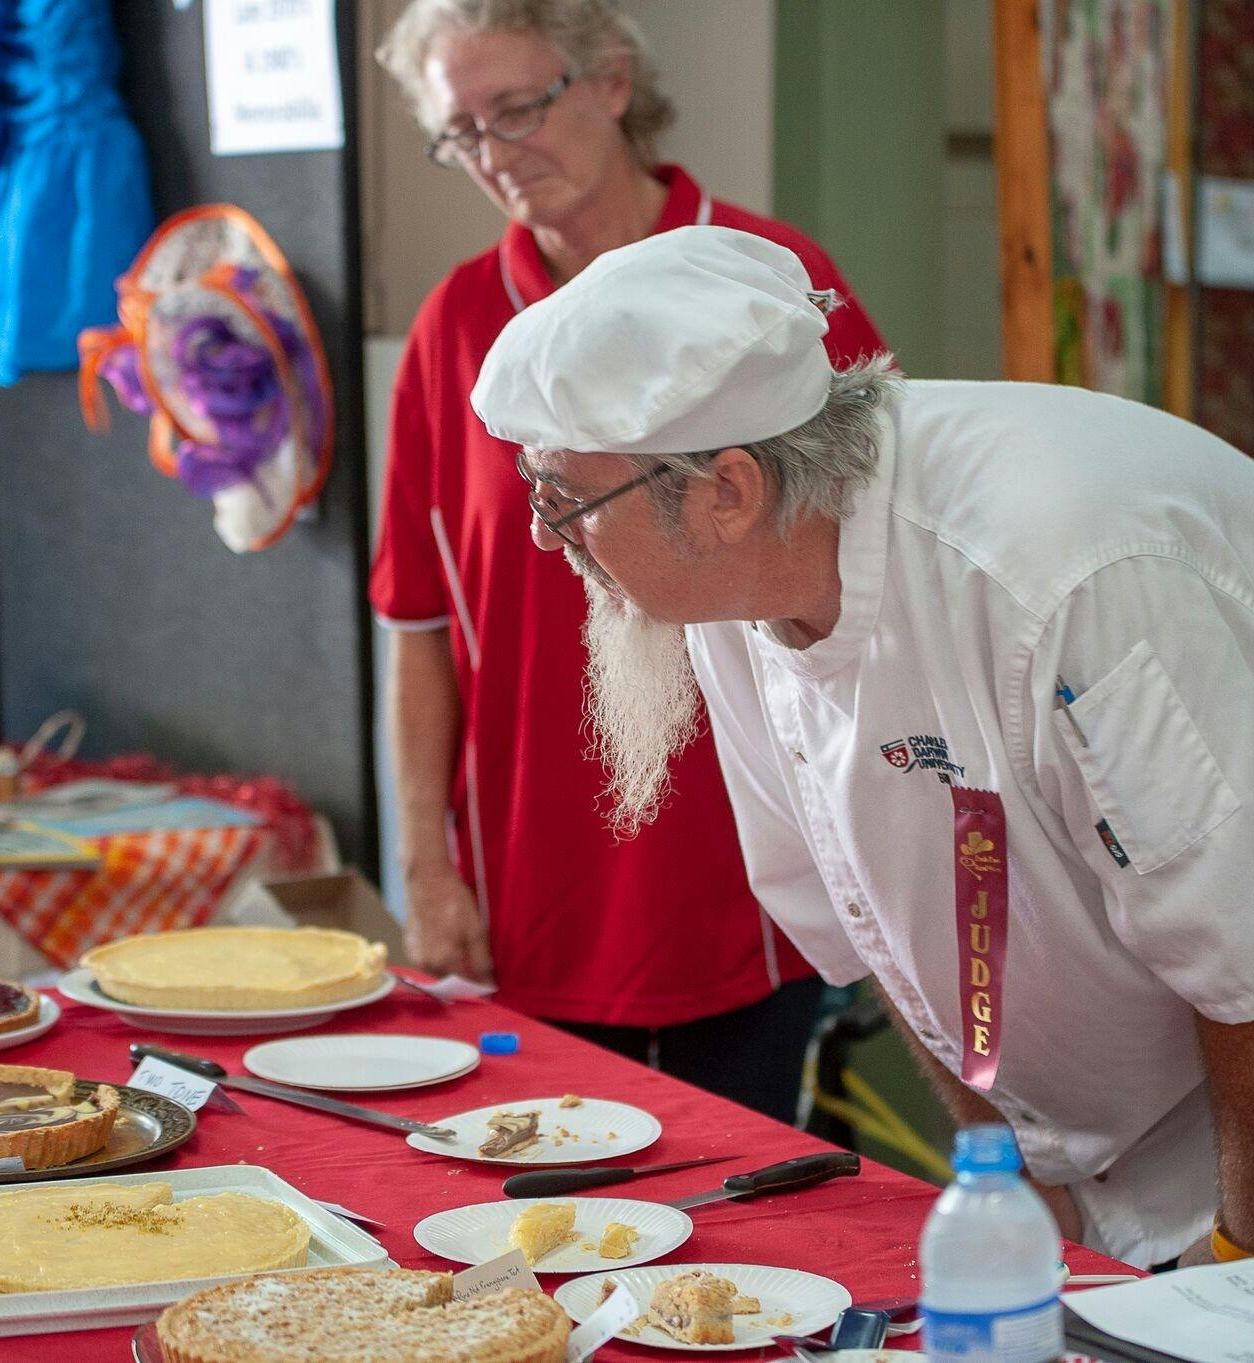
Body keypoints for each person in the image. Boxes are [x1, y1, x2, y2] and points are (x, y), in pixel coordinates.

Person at [470, 225, 1254, 1271]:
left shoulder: (1055, 571)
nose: (542, 532)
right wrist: (1010, 1165)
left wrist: (1252, 1276)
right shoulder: (734, 586)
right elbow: (877, 925)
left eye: (566, 498)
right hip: (1217, 941)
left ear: (725, 489)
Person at [369, 0, 887, 1121]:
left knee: (742, 1225)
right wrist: (426, 864)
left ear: (609, 82)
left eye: (517, 109)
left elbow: (878, 564)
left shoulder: (771, 280)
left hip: (748, 872)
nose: (497, 155)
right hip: (529, 880)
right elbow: (418, 626)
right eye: (463, 133)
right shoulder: (454, 328)